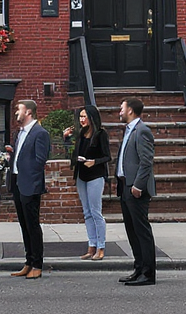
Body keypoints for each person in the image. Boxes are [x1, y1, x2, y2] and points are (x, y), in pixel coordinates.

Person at [5, 99, 50, 279]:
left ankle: (37, 264)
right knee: (24, 225)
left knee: (32, 225)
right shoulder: (19, 133)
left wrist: (30, 177)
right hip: (17, 182)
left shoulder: (40, 133)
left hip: (30, 184)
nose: (16, 112)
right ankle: (28, 261)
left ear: (29, 112)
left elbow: (40, 160)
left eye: (19, 110)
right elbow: (22, 156)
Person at [116, 97, 156, 286]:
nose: (120, 112)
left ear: (130, 110)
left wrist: (138, 186)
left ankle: (148, 273)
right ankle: (138, 268)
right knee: (132, 231)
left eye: (122, 108)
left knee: (141, 231)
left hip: (136, 189)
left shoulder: (142, 131)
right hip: (125, 186)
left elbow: (146, 161)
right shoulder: (129, 130)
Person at [62, 104, 111, 260]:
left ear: (92, 117)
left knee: (96, 212)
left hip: (95, 175)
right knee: (87, 212)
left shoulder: (101, 134)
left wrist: (94, 162)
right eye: (80, 117)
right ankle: (91, 245)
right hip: (81, 175)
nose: (82, 120)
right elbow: (72, 154)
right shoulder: (81, 134)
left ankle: (101, 247)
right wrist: (66, 139)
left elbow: (107, 156)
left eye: (85, 117)